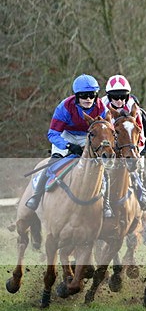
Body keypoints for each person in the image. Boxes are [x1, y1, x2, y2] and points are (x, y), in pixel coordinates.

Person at [26, 74, 108, 211]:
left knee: (102, 167)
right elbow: (52, 134)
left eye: (92, 95)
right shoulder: (64, 107)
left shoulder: (101, 109)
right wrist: (68, 146)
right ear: (76, 96)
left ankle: (107, 203)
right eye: (83, 95)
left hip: (87, 136)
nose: (88, 99)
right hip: (66, 135)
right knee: (53, 163)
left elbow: (105, 132)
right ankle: (36, 196)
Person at [101, 74, 146, 211]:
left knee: (138, 165)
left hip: (132, 144)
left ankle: (144, 193)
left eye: (123, 97)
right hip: (111, 144)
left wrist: (135, 152)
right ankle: (103, 199)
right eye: (115, 97)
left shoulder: (133, 107)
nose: (119, 101)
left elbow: (140, 134)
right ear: (108, 96)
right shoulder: (102, 107)